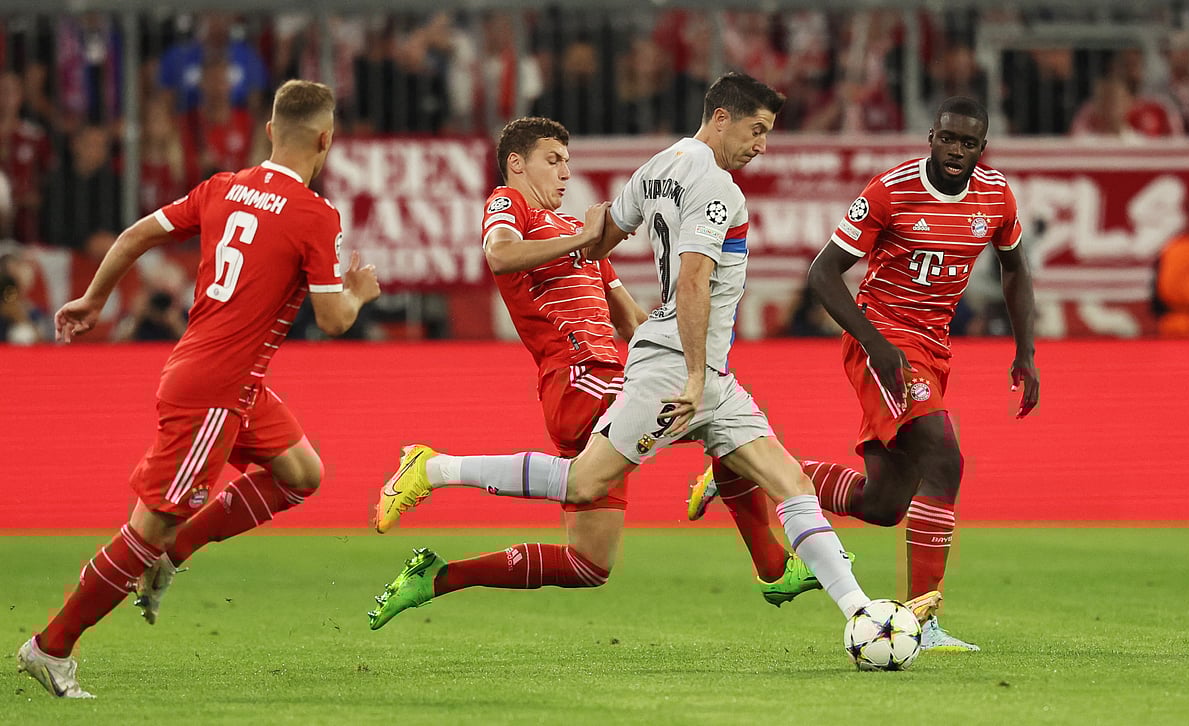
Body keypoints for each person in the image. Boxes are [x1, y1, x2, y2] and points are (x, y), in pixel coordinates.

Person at [370, 72, 942, 630]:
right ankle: (437, 467)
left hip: (702, 369)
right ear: (722, 118)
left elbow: (606, 239)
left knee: (790, 482)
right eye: (757, 130)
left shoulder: (658, 167)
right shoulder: (717, 188)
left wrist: (591, 237)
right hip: (670, 366)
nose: (762, 146)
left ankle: (860, 611)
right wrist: (690, 374)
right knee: (584, 481)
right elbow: (692, 279)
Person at [16, 79, 381, 699]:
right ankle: (51, 647)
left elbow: (135, 235)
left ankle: (171, 555)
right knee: (147, 530)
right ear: (326, 140)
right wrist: (359, 292)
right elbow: (333, 319)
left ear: (270, 131)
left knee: (301, 473)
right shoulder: (316, 215)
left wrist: (94, 300)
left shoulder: (222, 186)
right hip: (216, 391)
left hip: (224, 378)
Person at [693, 96, 1038, 652]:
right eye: (948, 138)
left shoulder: (995, 194)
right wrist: (874, 343)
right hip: (885, 341)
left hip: (934, 348)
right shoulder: (891, 190)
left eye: (969, 143)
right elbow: (823, 272)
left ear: (982, 148)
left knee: (883, 504)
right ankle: (924, 623)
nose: (956, 150)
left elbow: (1015, 266)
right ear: (931, 138)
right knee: (944, 459)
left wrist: (1026, 352)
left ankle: (749, 467)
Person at [364, 117, 645, 627]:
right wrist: (585, 237)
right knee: (701, 416)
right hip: (580, 374)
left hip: (606, 373)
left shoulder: (579, 237)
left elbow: (631, 321)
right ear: (517, 163)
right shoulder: (509, 202)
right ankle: (435, 469)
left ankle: (439, 577)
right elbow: (500, 253)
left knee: (589, 564)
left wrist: (686, 341)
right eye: (553, 160)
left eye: (568, 162)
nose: (565, 172)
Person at [1153, 190, 1189, 338]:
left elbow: (1156, 304)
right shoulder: (1174, 251)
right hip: (1178, 328)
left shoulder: (1173, 250)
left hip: (1175, 329)